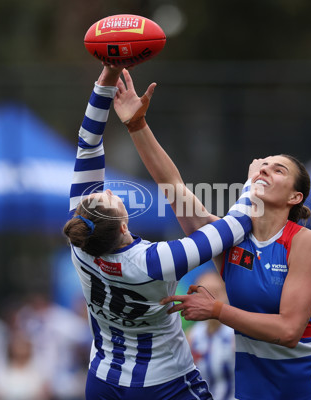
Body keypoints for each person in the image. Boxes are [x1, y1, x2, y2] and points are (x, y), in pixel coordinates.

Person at [114, 68, 311, 399]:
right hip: (255, 392)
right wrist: (136, 125)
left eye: (278, 169)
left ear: (294, 197)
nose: (265, 169)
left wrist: (217, 311)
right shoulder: (228, 239)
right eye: (263, 165)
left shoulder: (303, 241)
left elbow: (288, 331)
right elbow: (173, 187)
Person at [62, 64, 254, 400]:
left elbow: (87, 144)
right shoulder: (154, 261)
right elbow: (231, 228)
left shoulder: (82, 245)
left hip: (103, 380)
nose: (107, 189)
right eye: (109, 196)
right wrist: (256, 183)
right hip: (164, 384)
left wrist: (105, 80)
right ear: (123, 224)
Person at [186, 271, 236, 400]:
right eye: (203, 295)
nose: (211, 300)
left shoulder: (236, 335)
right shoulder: (191, 336)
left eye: (216, 292)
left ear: (227, 294)